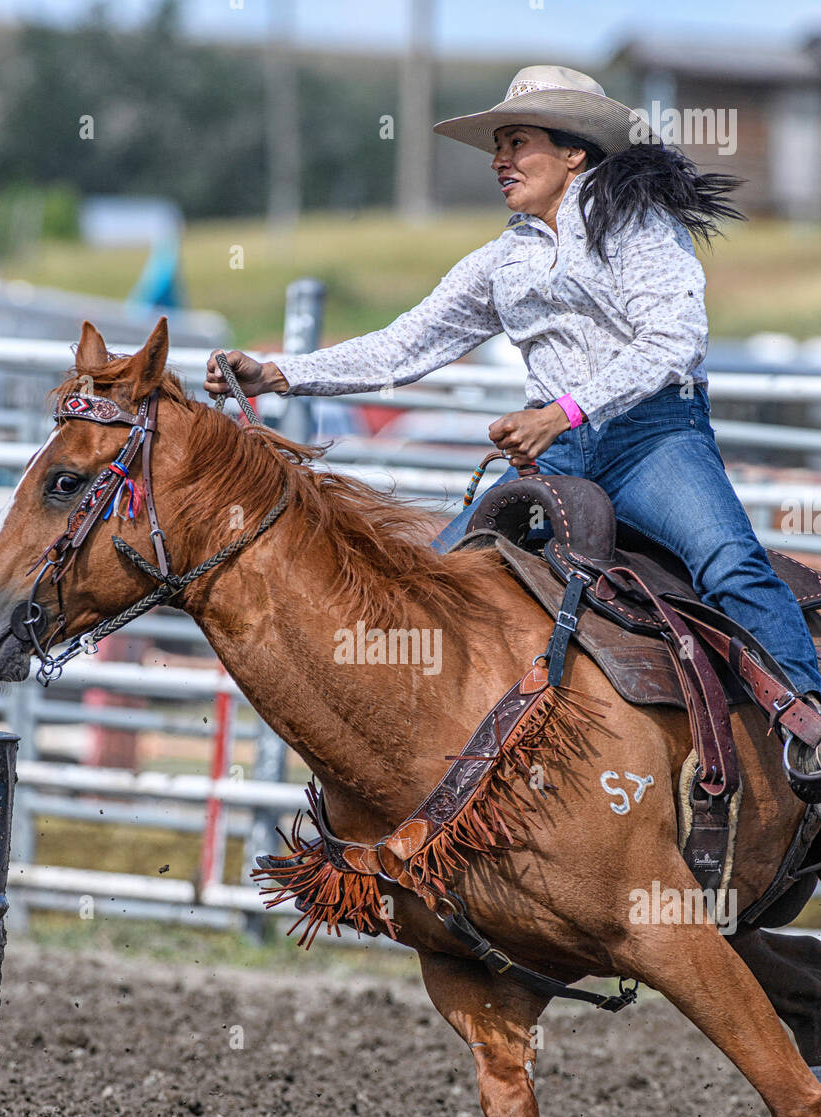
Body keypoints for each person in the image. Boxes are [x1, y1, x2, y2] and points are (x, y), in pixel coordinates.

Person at [205, 64, 821, 789]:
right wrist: (280, 375)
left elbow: (673, 341)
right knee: (428, 585)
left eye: (518, 142)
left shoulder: (638, 226)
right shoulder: (503, 259)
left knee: (727, 561)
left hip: (654, 440)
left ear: (574, 153)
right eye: (498, 145)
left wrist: (559, 413)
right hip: (557, 457)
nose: (500, 160)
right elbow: (406, 344)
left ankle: (806, 719)